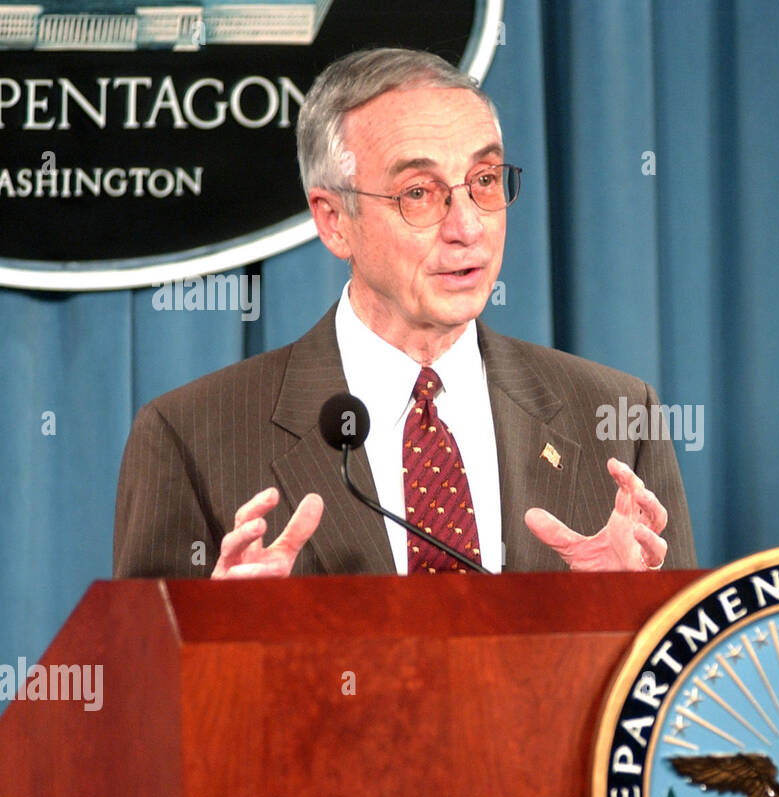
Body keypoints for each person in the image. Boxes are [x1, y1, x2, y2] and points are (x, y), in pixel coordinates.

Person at [113, 47, 695, 579]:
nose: (468, 228)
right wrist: (219, 637)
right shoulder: (191, 437)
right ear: (334, 219)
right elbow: (143, 686)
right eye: (419, 193)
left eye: (485, 181)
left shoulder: (616, 417)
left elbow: (679, 682)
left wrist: (628, 610)